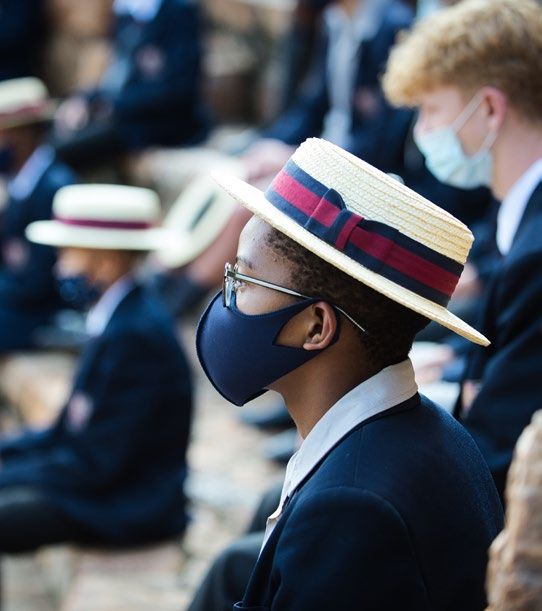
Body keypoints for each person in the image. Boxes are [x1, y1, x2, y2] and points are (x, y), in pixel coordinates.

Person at [195, 137, 503, 610]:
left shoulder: (349, 512)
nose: (228, 297)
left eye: (242, 279)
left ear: (315, 326)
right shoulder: (428, 431)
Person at [382, 0, 542, 501]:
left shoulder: (536, 251)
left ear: (491, 108)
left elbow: (494, 450)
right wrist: (456, 368)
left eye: (432, 109)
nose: (423, 131)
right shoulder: (517, 208)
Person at [0, 184, 193, 552]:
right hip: (103, 480)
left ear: (105, 263)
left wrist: (9, 474)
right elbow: (66, 433)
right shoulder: (117, 317)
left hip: (129, 504)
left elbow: (94, 465)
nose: (59, 267)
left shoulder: (135, 336)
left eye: (67, 255)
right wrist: (8, 452)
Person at [52, 0, 208, 169]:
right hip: (122, 116)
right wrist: (86, 100)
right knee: (52, 136)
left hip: (155, 126)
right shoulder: (126, 13)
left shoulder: (178, 12)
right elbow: (118, 73)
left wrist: (111, 105)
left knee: (60, 152)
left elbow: (178, 90)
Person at [0, 77, 77, 352]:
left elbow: (39, 281)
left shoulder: (55, 187)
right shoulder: (19, 182)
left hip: (43, 311)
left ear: (22, 134)